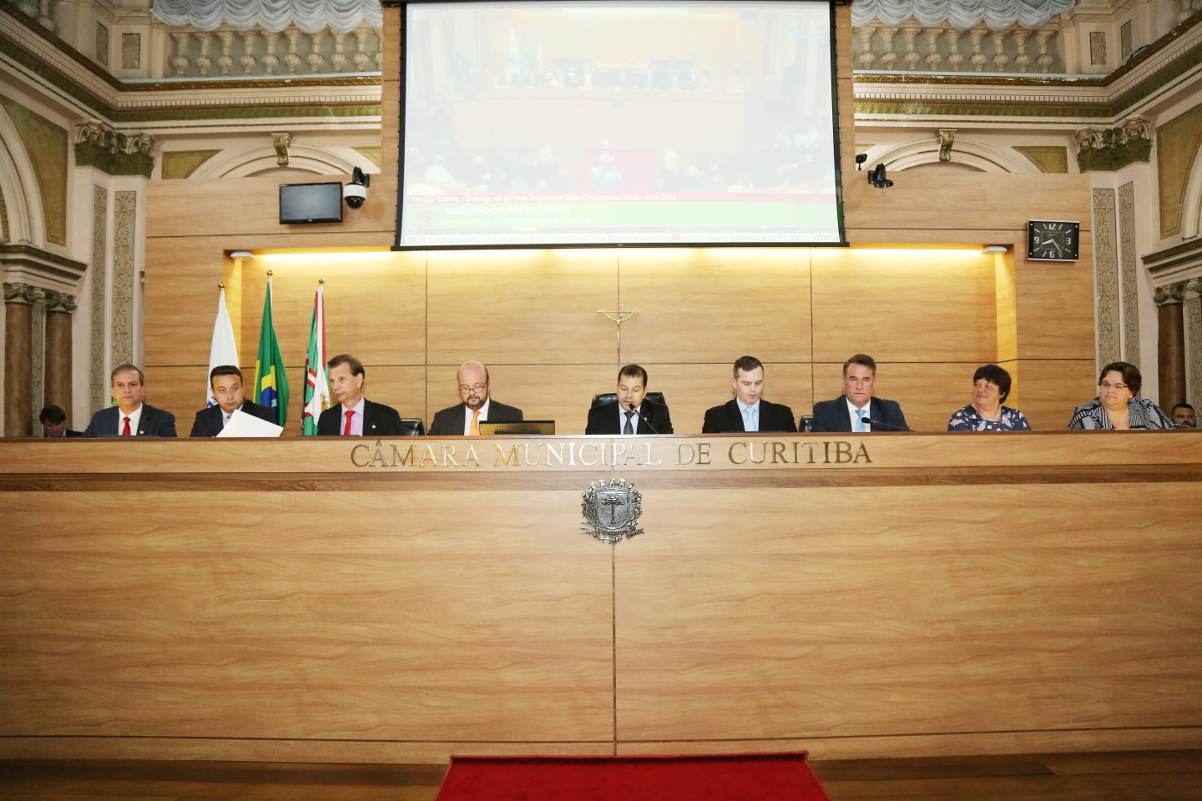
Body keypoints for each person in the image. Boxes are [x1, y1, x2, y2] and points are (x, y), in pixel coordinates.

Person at [811, 354, 909, 432]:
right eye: (853, 379)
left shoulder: (891, 410)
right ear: (843, 383)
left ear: (874, 384)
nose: (859, 386)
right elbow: (820, 452)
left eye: (866, 380)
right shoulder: (825, 411)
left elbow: (906, 444)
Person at [702, 356, 797, 433]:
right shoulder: (715, 416)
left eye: (758, 383)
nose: (753, 389)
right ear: (735, 383)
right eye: (746, 384)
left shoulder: (782, 415)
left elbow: (796, 452)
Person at [1069, 361, 1174, 430]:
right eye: (1106, 384)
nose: (1110, 390)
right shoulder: (1085, 412)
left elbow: (1171, 439)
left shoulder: (1146, 408)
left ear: (1132, 391)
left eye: (1118, 386)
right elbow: (1085, 451)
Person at [316, 354, 404, 436]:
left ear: (358, 380)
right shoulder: (326, 418)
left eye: (341, 379)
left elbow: (399, 451)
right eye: (332, 381)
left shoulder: (387, 416)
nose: (335, 387)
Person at [428, 360, 523, 436]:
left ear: (488, 383)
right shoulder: (443, 419)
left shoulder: (511, 417)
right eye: (465, 387)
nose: (471, 393)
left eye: (477, 386)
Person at [83, 364, 177, 437]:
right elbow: (82, 449)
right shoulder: (101, 418)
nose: (127, 390)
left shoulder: (162, 419)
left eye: (132, 384)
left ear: (142, 389)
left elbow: (170, 453)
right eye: (120, 385)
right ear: (113, 391)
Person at [189, 365, 278, 437]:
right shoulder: (204, 418)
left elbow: (270, 450)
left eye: (235, 388)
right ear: (213, 393)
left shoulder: (262, 415)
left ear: (243, 387)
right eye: (222, 390)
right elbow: (192, 452)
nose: (230, 396)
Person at [586, 365, 673, 435]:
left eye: (635, 390)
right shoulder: (597, 415)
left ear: (644, 392)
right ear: (617, 389)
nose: (628, 395)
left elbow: (668, 448)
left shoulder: (659, 413)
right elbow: (590, 452)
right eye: (624, 388)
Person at [947, 364, 1031, 431]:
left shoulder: (1016, 417)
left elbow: (1029, 448)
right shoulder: (961, 418)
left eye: (988, 386)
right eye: (978, 385)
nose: (981, 390)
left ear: (1001, 394)